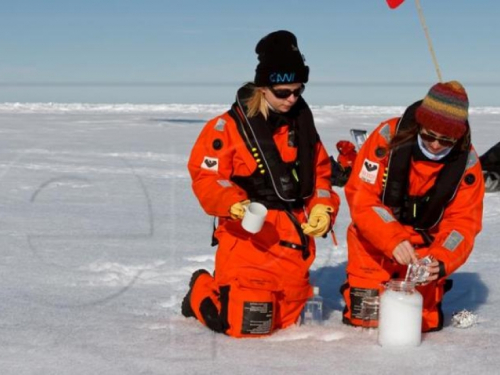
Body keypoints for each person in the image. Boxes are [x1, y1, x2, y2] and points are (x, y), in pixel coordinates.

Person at [182, 30, 340, 338]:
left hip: (293, 241)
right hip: (248, 238)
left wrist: (323, 207)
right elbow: (207, 177)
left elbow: (321, 174)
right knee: (247, 325)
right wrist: (233, 203)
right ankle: (200, 290)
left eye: (298, 90)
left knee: (287, 324)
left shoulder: (303, 128)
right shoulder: (225, 129)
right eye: (283, 92)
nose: (292, 98)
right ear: (263, 88)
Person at [340, 81, 484, 332]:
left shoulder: (467, 165)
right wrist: (392, 239)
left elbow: (463, 224)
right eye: (429, 135)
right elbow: (363, 198)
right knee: (368, 322)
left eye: (446, 139)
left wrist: (440, 262)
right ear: (419, 123)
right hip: (375, 241)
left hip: (424, 253)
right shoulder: (386, 138)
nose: (436, 145)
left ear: (457, 137)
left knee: (418, 324)